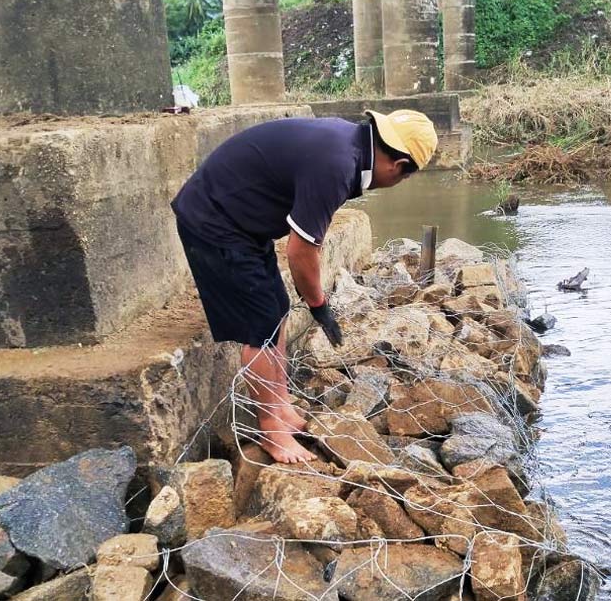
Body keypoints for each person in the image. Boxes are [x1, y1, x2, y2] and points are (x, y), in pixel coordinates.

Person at [172, 110, 438, 463]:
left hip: (242, 219)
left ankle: (279, 405)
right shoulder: (337, 165)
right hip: (214, 220)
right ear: (399, 165)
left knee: (275, 306)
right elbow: (301, 250)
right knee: (261, 322)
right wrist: (318, 305)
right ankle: (271, 430)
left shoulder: (348, 145)